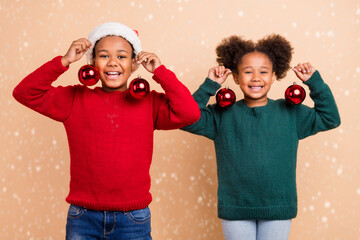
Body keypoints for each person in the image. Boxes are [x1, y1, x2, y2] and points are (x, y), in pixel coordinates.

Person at [13, 22, 200, 240]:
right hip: (83, 217)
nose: (113, 62)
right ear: (92, 62)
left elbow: (190, 113)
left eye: (121, 56)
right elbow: (25, 93)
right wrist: (64, 61)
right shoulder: (74, 99)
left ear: (134, 63)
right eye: (103, 56)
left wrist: (160, 72)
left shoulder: (150, 103)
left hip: (133, 218)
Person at [182, 34, 340, 240]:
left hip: (277, 207)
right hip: (236, 207)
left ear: (274, 76)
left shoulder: (291, 112)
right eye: (248, 72)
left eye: (263, 72)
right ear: (236, 78)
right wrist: (209, 86)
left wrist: (314, 83)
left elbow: (330, 118)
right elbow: (185, 119)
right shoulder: (221, 114)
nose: (256, 77)